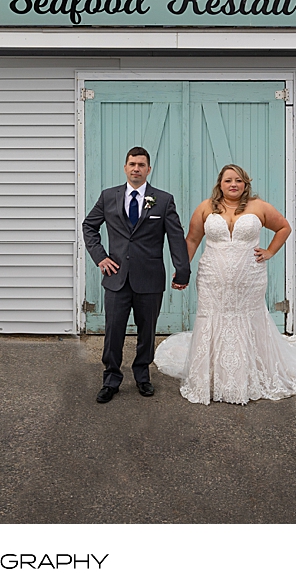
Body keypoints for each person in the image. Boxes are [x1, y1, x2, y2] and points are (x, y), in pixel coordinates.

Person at [154, 164, 296, 405]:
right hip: (212, 278)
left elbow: (283, 227)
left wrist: (270, 251)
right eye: (228, 180)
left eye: (238, 180)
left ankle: (249, 375)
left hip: (250, 278)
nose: (233, 184)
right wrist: (182, 270)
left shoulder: (259, 207)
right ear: (220, 184)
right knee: (213, 318)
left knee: (247, 319)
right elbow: (192, 239)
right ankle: (213, 378)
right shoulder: (206, 208)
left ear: (246, 184)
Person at [82, 147, 191, 404]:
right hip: (117, 279)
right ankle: (111, 379)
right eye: (132, 164)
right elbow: (89, 226)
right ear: (125, 167)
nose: (136, 169)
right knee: (113, 331)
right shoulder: (109, 196)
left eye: (141, 165)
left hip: (150, 279)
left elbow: (175, 237)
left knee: (147, 331)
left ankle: (143, 376)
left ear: (148, 169)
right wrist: (100, 257)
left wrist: (182, 270)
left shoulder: (163, 200)